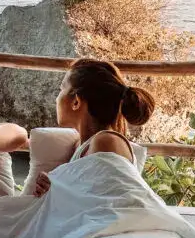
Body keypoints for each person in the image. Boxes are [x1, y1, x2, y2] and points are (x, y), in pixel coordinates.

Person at [33, 58, 154, 197]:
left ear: (76, 102)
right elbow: (85, 195)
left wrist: (59, 187)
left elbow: (116, 204)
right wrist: (53, 186)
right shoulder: (81, 145)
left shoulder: (106, 142)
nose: (57, 98)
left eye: (62, 89)